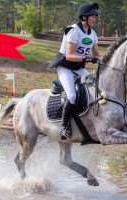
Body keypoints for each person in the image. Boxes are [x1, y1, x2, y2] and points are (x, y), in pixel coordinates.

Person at [48, 3, 101, 139]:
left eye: (95, 16)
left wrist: (108, 59)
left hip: (78, 68)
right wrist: (87, 58)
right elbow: (69, 55)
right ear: (84, 17)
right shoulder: (73, 31)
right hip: (65, 67)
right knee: (71, 95)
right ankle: (65, 126)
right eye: (92, 16)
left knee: (96, 87)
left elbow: (96, 54)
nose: (94, 18)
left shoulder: (93, 34)